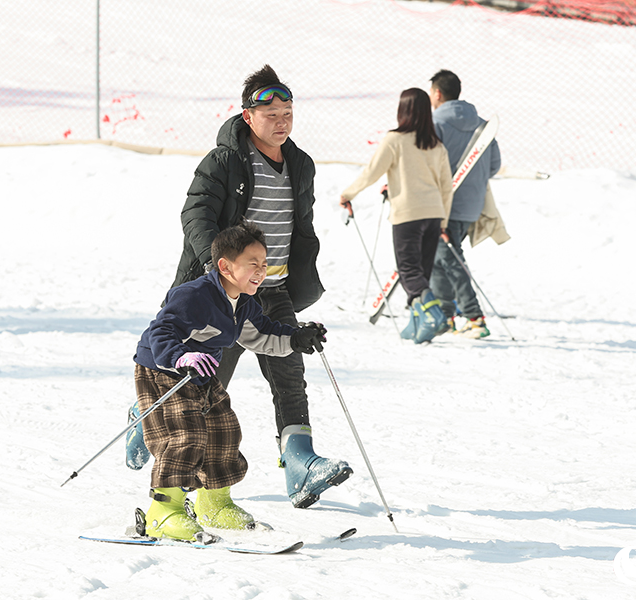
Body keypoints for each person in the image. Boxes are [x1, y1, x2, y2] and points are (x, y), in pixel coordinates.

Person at [128, 65, 352, 510]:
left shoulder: (300, 164)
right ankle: (147, 422)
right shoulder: (225, 161)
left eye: (288, 112)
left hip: (274, 287)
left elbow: (298, 225)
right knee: (206, 383)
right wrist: (219, 271)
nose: (282, 121)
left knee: (290, 374)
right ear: (248, 117)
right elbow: (196, 215)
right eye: (272, 113)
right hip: (223, 291)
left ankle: (301, 463)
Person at [133, 221, 329, 540]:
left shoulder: (245, 303)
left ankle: (214, 504)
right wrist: (181, 358)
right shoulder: (194, 295)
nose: (261, 271)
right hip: (163, 370)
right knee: (186, 433)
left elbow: (261, 333)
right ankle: (163, 511)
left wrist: (296, 338)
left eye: (264, 264)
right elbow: (161, 331)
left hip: (203, 371)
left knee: (224, 429)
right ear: (225, 266)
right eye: (253, 264)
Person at [340, 88, 453, 344]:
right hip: (434, 214)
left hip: (408, 213)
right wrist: (443, 221)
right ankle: (416, 325)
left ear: (402, 110)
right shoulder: (436, 145)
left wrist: (348, 194)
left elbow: (372, 172)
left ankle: (435, 313)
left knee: (409, 270)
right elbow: (447, 187)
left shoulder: (395, 140)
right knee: (421, 271)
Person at [428, 70, 501, 339]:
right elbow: (494, 165)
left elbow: (427, 164)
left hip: (440, 205)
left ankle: (474, 316)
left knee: (449, 258)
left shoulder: (434, 123)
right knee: (438, 258)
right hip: (470, 204)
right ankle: (446, 315)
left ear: (437, 93)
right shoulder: (483, 126)